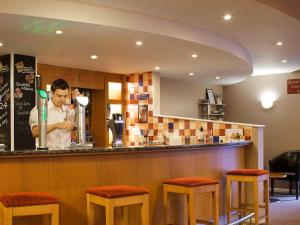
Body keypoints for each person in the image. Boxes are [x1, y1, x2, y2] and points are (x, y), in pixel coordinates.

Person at [29, 79, 74, 150]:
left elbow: (73, 126)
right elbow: (35, 132)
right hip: (47, 155)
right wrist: (57, 125)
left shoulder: (67, 110)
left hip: (66, 154)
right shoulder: (41, 109)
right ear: (52, 93)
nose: (62, 99)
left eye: (65, 96)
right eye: (59, 96)